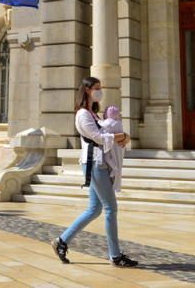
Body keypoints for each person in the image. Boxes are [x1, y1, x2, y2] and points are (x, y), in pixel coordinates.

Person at [51, 77, 138, 268]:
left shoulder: (93, 114)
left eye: (101, 88)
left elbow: (106, 134)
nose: (100, 92)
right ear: (87, 90)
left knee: (94, 209)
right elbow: (98, 138)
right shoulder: (82, 114)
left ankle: (62, 241)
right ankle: (115, 255)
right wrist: (120, 136)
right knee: (110, 208)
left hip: (101, 162)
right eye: (97, 88)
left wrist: (121, 137)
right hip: (94, 163)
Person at [100, 105, 126, 191]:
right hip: (118, 145)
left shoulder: (107, 122)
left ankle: (114, 169)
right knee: (117, 160)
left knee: (107, 158)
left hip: (110, 143)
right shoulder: (119, 123)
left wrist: (97, 120)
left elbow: (100, 124)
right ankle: (115, 169)